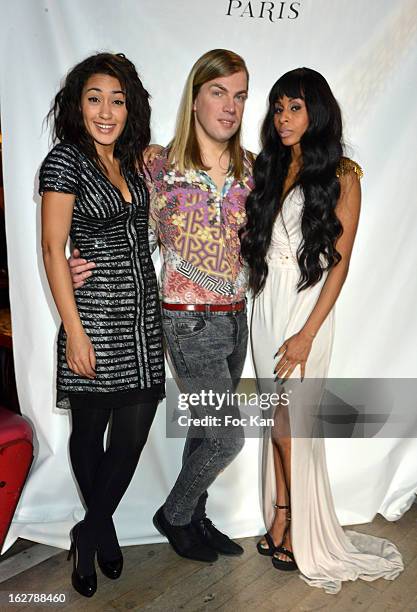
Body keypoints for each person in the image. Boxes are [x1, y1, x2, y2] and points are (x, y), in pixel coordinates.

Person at [69, 49, 253, 563]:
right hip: (187, 319)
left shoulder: (251, 169)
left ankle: (195, 515)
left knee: (204, 426)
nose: (230, 106)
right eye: (219, 92)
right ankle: (173, 514)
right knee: (227, 436)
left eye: (239, 95)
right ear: (195, 98)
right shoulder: (158, 165)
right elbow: (129, 231)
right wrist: (74, 261)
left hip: (237, 318)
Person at [240, 67, 403, 593]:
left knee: (292, 420)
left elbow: (341, 263)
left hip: (304, 311)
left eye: (295, 107)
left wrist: (308, 333)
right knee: (275, 417)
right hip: (265, 306)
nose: (283, 118)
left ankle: (291, 518)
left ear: (318, 111)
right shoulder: (269, 166)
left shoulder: (343, 174)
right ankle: (282, 509)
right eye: (278, 107)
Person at [40, 52, 165, 597]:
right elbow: (51, 247)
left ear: (130, 106)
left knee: (132, 434)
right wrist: (75, 330)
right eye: (95, 98)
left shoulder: (136, 160)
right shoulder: (65, 161)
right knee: (90, 433)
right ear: (77, 104)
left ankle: (88, 530)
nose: (106, 110)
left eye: (117, 99)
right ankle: (102, 529)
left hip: (143, 318)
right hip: (92, 316)